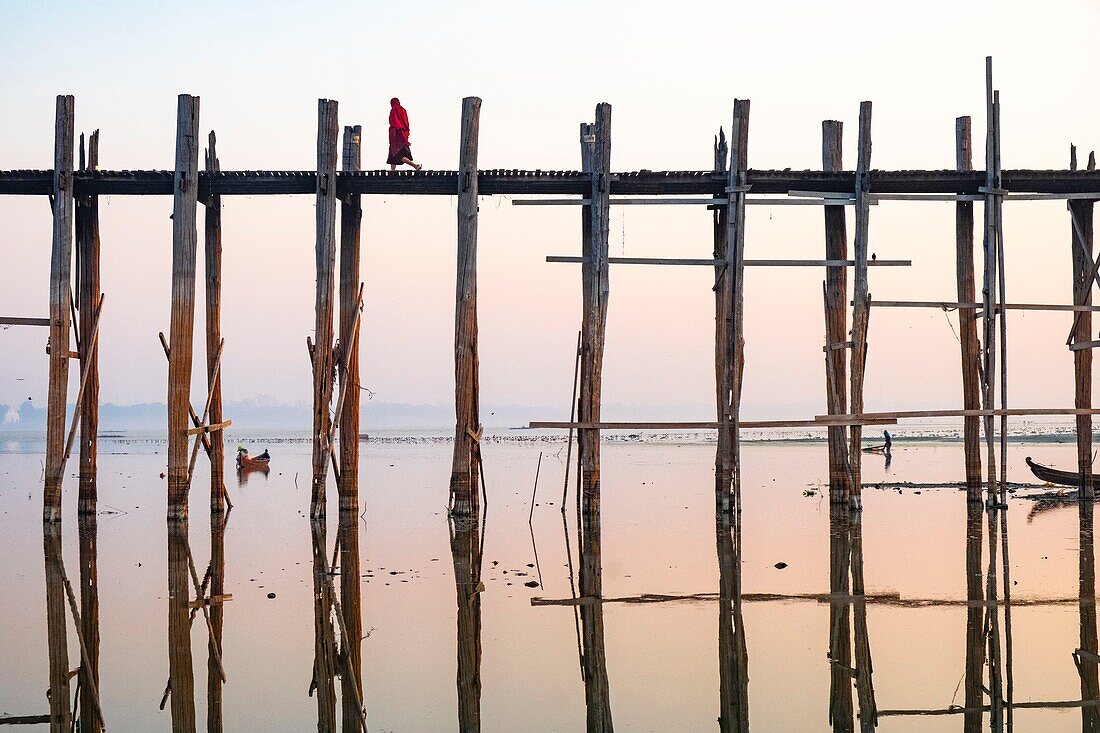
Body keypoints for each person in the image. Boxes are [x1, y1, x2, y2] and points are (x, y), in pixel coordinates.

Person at [387, 97, 422, 171]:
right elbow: (406, 123)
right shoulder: (403, 110)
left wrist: (393, 133)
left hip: (397, 135)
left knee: (398, 155)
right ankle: (392, 171)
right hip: (403, 134)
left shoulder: (394, 109)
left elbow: (393, 122)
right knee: (393, 154)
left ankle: (415, 166)